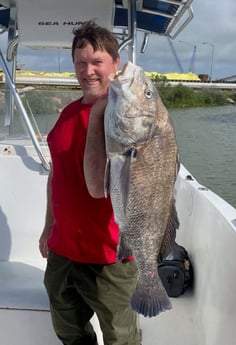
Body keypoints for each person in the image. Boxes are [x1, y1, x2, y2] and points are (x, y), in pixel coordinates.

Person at [39, 20, 140, 345]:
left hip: (110, 256)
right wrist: (47, 228)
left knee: (120, 339)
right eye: (81, 63)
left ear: (115, 64)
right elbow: (57, 175)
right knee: (71, 334)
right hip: (63, 252)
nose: (88, 71)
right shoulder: (68, 113)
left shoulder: (127, 117)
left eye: (97, 62)